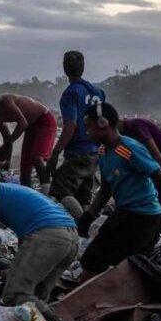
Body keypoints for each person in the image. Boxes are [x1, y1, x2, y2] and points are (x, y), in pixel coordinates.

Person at [0, 163, 84, 321]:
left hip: (49, 235)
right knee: (35, 300)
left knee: (16, 294)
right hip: (72, 239)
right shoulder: (16, 190)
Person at [77, 103, 161, 277]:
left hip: (144, 217)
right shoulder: (103, 151)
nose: (87, 132)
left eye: (89, 127)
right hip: (126, 213)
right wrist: (89, 215)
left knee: (94, 261)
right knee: (106, 262)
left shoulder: (128, 148)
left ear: (103, 123)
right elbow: (105, 188)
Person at [0, 89, 57, 188]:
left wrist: (6, 145)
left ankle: (47, 192)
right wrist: (6, 163)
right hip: (30, 128)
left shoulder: (4, 101)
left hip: (44, 120)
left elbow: (23, 123)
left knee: (37, 159)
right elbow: (7, 139)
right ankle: (27, 197)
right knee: (25, 171)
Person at [47, 51, 105, 207]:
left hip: (78, 152)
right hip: (94, 152)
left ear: (65, 68)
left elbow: (70, 125)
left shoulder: (71, 93)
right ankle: (84, 228)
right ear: (83, 67)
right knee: (84, 198)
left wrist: (55, 153)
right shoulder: (98, 93)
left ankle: (81, 223)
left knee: (60, 190)